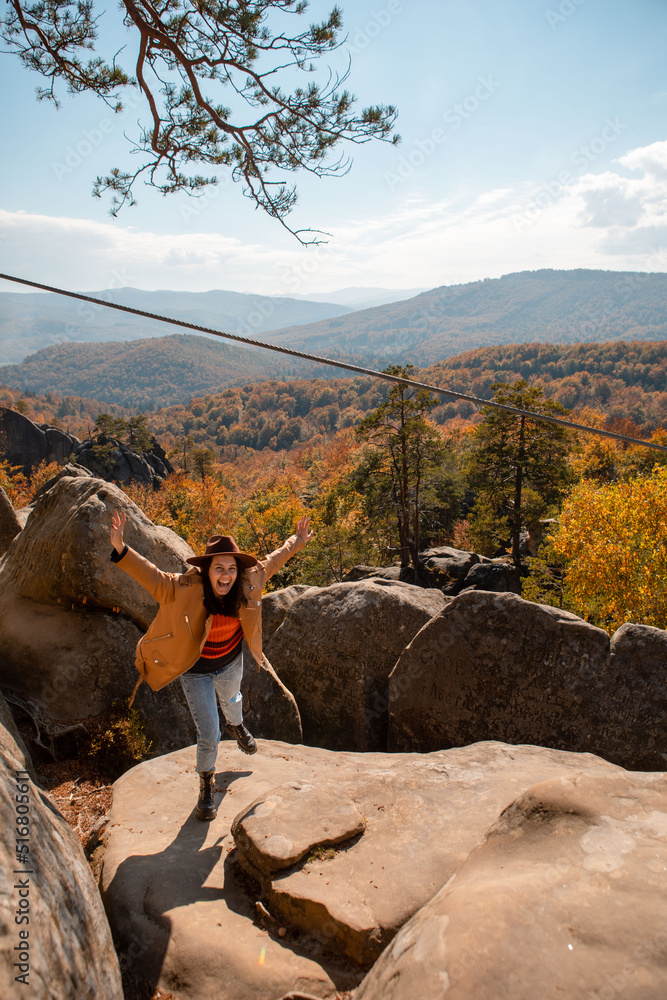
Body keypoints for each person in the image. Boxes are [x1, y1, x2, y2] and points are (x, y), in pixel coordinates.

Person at [109, 509, 313, 821]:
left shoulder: (249, 581)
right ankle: (207, 783)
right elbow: (154, 578)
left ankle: (238, 725)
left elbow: (274, 560)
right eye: (219, 568)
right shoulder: (186, 588)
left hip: (231, 661)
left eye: (231, 569)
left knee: (232, 701)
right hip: (196, 672)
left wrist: (297, 541)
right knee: (209, 732)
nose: (226, 575)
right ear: (207, 571)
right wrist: (122, 550)